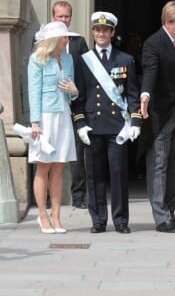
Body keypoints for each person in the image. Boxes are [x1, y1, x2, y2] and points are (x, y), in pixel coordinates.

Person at [72, 12, 141, 234]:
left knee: (119, 174)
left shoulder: (125, 59)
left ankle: (120, 220)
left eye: (105, 30)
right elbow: (79, 96)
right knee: (94, 175)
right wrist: (80, 123)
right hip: (93, 125)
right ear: (93, 32)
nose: (101, 34)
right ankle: (98, 220)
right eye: (97, 30)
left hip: (117, 126)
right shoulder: (84, 61)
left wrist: (135, 121)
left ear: (112, 32)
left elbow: (132, 94)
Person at [140, 1, 175, 233]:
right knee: (158, 163)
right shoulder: (154, 43)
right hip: (161, 112)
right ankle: (161, 217)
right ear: (167, 23)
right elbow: (150, 70)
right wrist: (145, 94)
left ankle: (170, 210)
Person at [28, 21, 80, 233]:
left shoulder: (67, 59)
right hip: (45, 118)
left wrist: (74, 90)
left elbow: (71, 92)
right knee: (44, 166)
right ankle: (42, 215)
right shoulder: (37, 59)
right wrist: (35, 123)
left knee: (59, 167)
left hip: (63, 116)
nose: (67, 40)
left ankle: (57, 216)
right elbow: (34, 91)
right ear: (53, 40)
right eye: (64, 37)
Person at [52, 0, 90, 210]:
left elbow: (86, 71)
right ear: (53, 17)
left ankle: (79, 195)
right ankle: (51, 195)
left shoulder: (78, 41)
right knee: (51, 150)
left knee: (78, 151)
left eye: (67, 16)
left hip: (75, 104)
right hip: (53, 102)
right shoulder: (41, 40)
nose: (64, 20)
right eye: (60, 16)